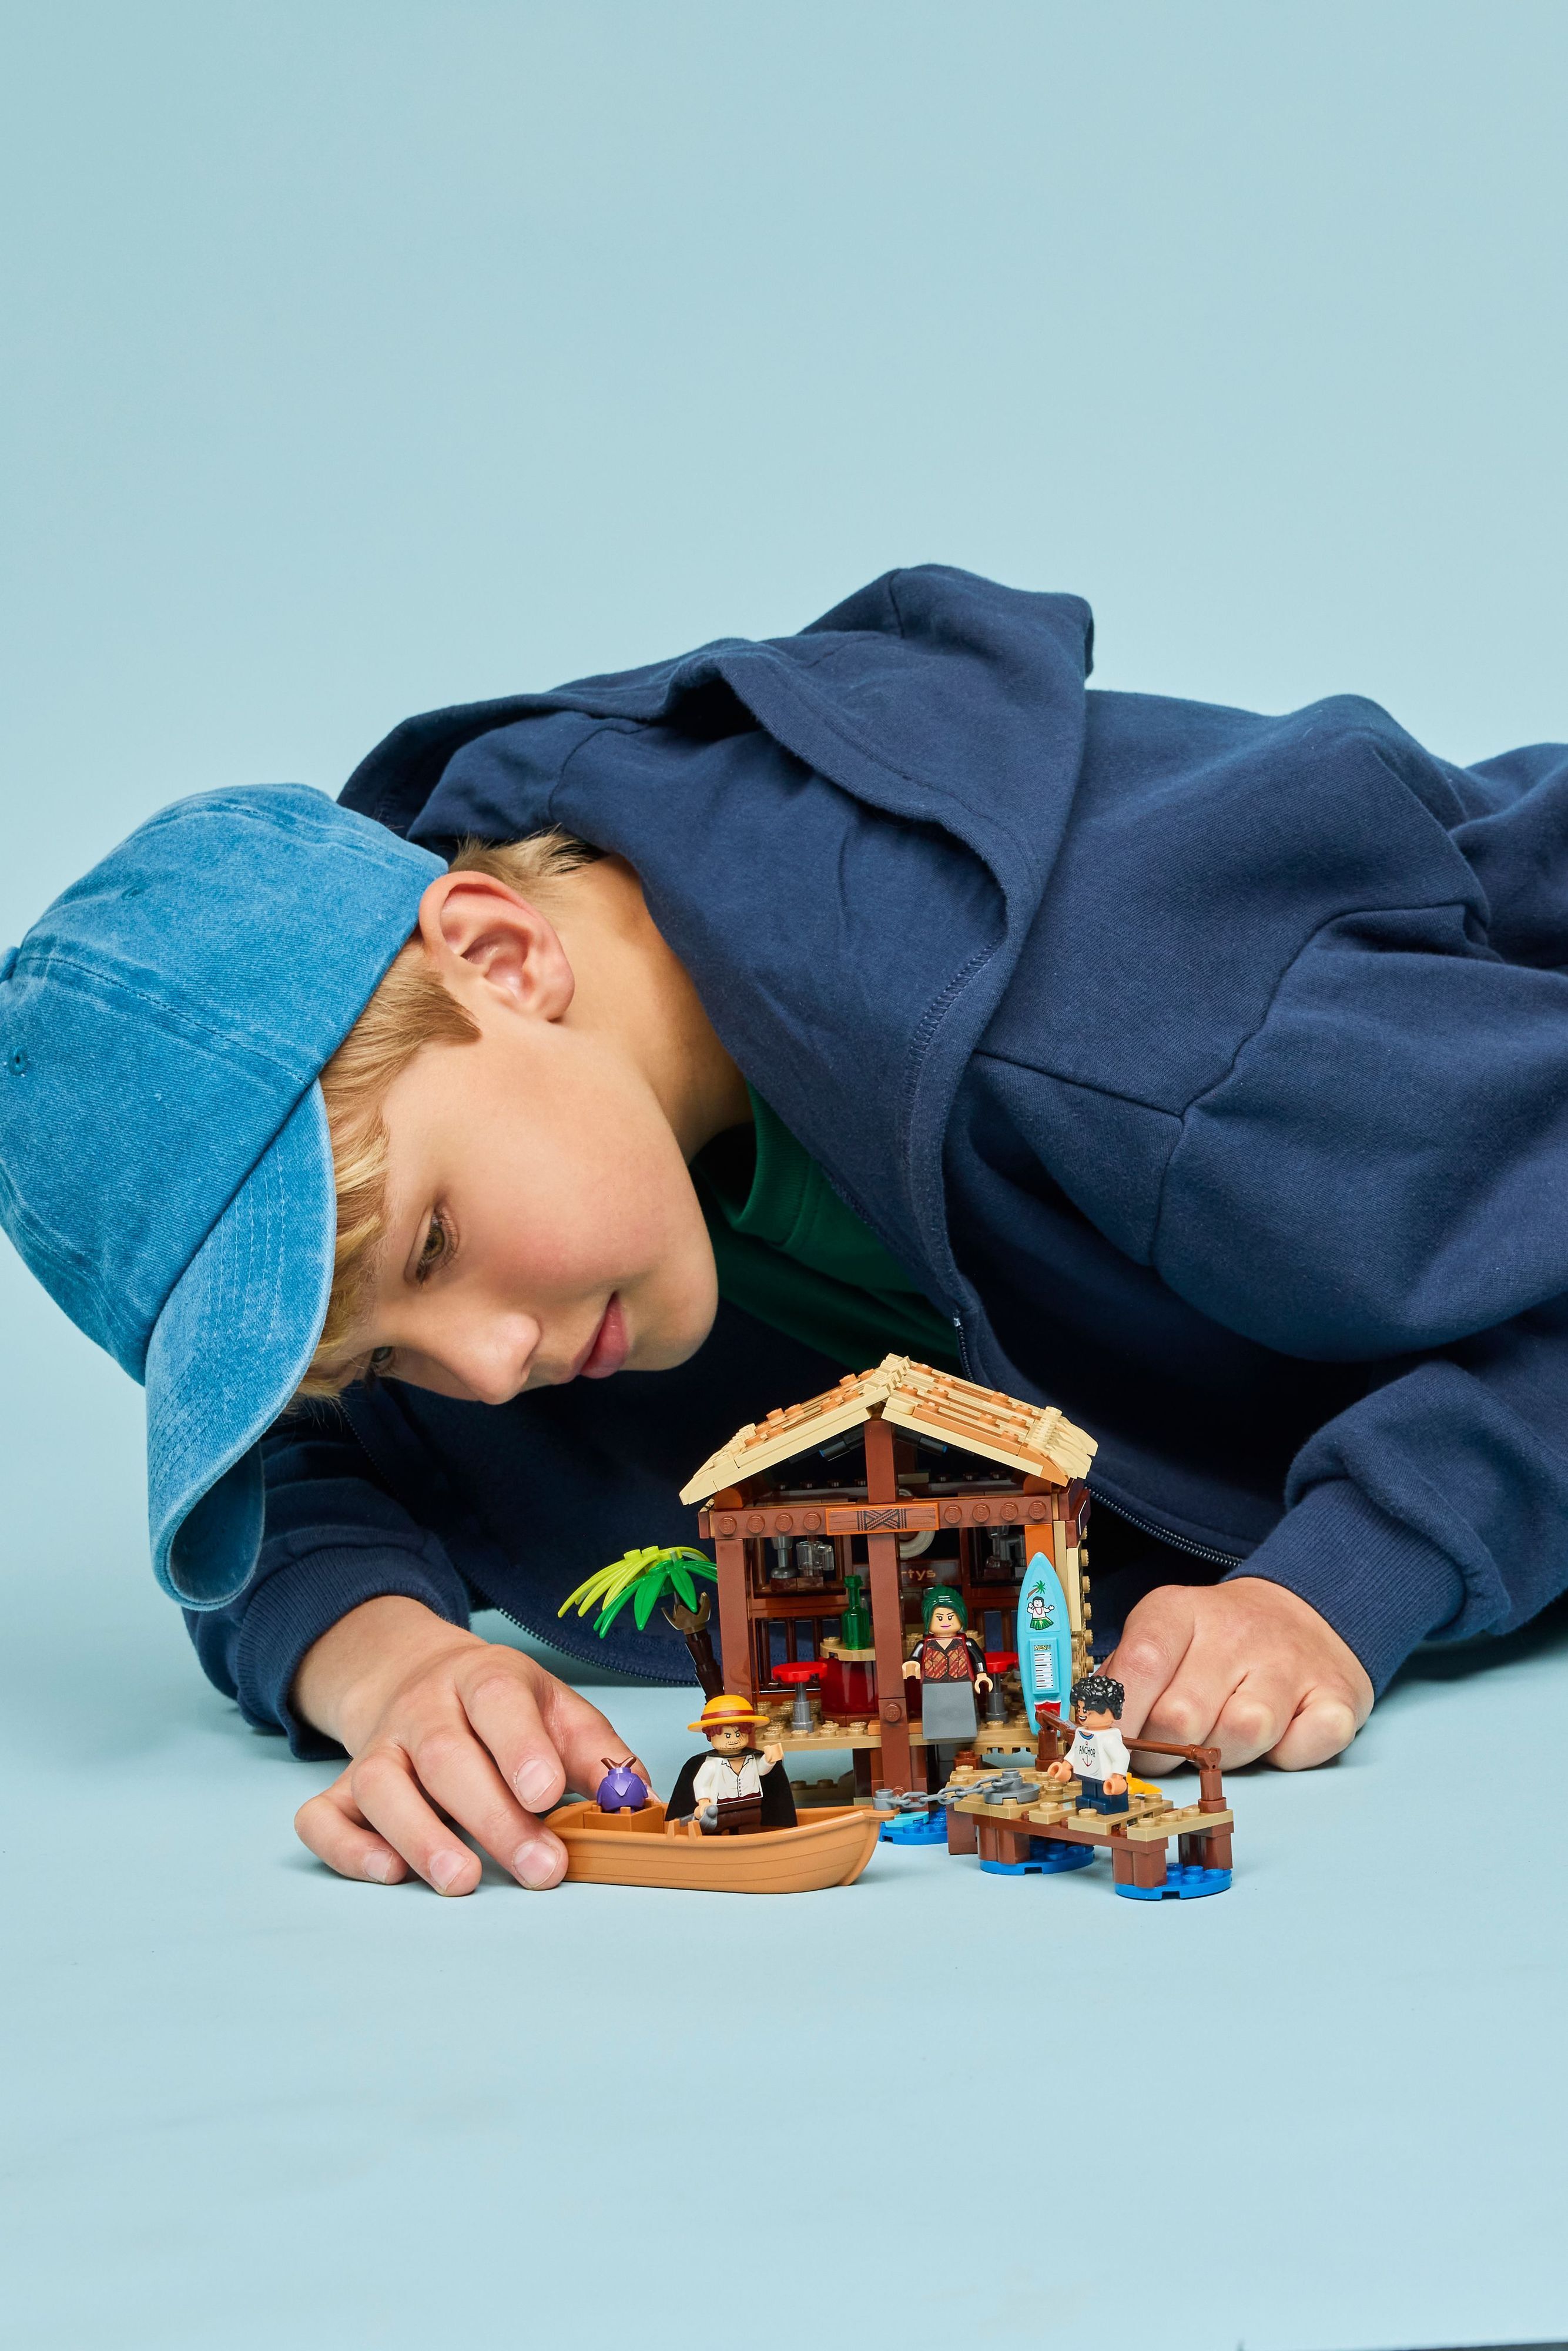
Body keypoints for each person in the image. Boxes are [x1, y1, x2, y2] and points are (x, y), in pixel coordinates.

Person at [5, 563, 1567, 1899]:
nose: (476, 1373)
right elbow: (303, 1475)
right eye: (369, 1360)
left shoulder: (1144, 1039)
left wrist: (1345, 1577)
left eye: (427, 1249)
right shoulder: (521, 1182)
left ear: (496, 954)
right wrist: (388, 1660)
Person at [665, 1693, 794, 1832]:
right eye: (727, 1735)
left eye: (738, 1734)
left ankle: (752, 1841)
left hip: (751, 1803)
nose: (734, 1740)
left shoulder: (752, 1758)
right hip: (721, 1807)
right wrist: (704, 1803)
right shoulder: (711, 1764)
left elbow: (762, 1771)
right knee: (717, 1828)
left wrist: (769, 1760)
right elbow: (701, 1784)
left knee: (750, 1827)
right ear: (711, 1735)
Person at [902, 1584, 991, 1773]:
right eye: (939, 1618)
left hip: (961, 1685)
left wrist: (982, 1675)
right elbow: (915, 1658)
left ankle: (961, 1747)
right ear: (929, 1620)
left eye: (950, 1617)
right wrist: (913, 1664)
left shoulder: (966, 1643)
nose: (945, 1622)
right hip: (933, 1688)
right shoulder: (924, 1644)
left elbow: (978, 1658)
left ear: (960, 1618)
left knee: (964, 1720)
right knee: (936, 1722)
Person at [1046, 1672, 1131, 1814]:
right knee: (1088, 1792)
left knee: (1106, 1796)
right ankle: (1088, 1801)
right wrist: (1065, 1767)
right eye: (1079, 1709)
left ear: (1110, 1711)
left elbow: (1122, 1757)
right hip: (1088, 1774)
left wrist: (1117, 1777)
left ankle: (1110, 1804)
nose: (1081, 1714)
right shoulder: (1082, 1732)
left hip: (1106, 1780)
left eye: (1086, 1710)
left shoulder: (1109, 1738)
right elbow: (1076, 1751)